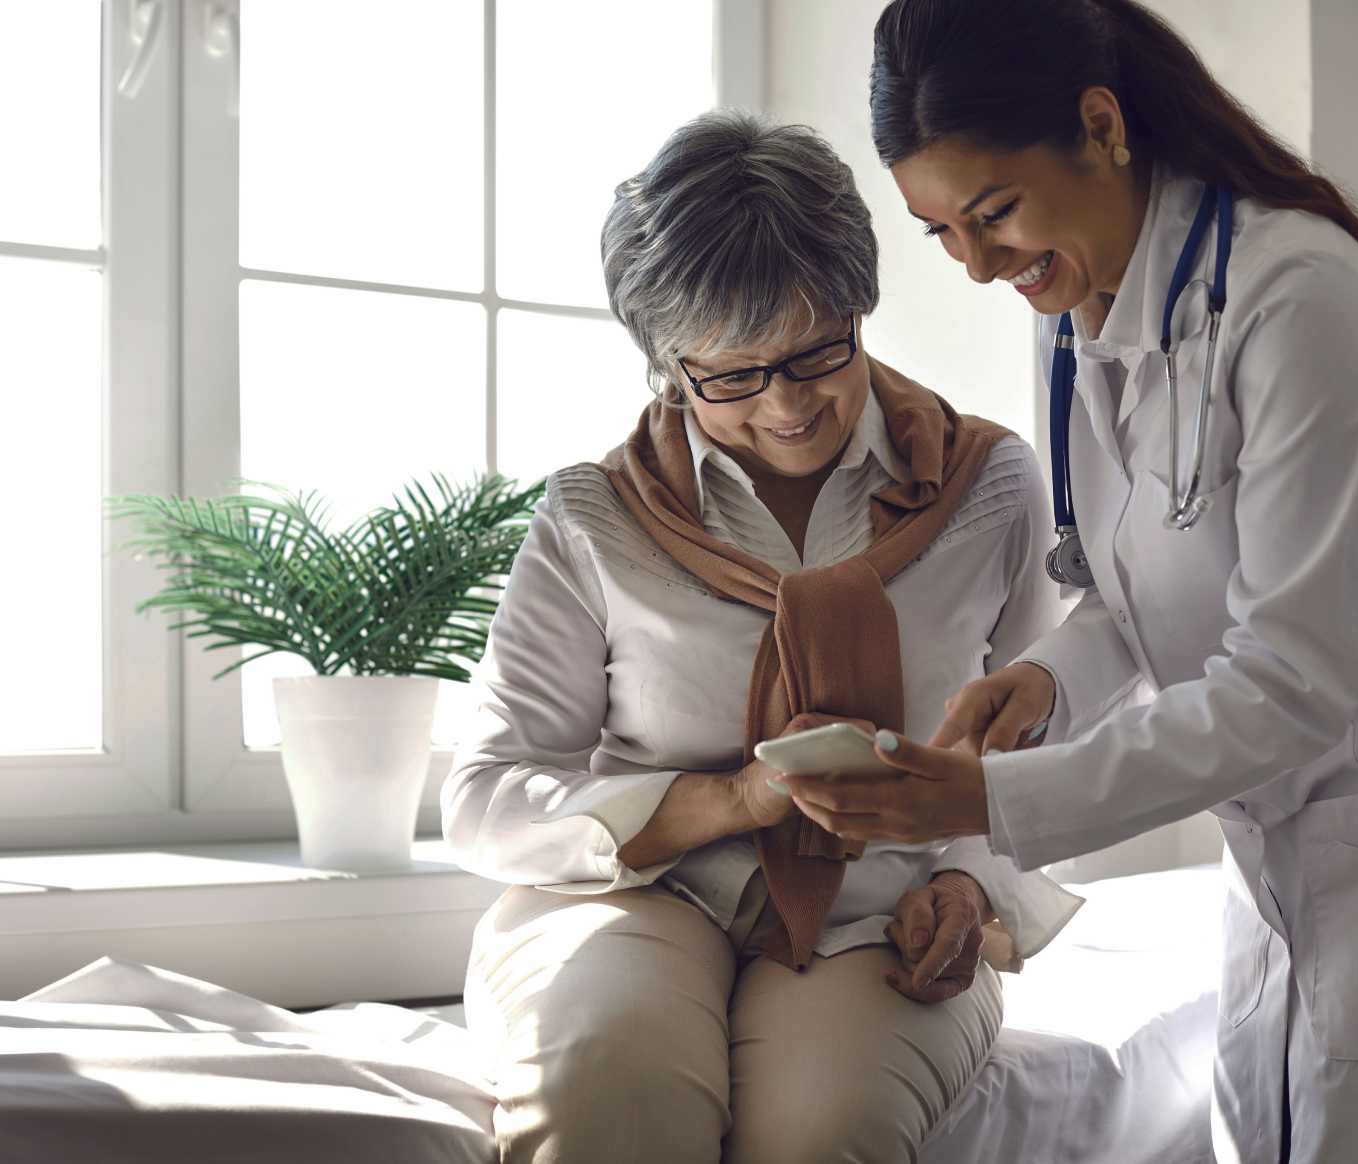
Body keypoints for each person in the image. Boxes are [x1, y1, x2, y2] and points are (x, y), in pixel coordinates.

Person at [775, 1, 1358, 1160]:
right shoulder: (1076, 312)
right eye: (942, 234)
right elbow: (1140, 587)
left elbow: (1288, 682)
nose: (981, 267)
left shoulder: (1298, 300)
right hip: (1281, 851)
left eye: (993, 213)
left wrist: (981, 803)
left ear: (1100, 124)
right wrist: (1042, 680)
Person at [441, 110, 1081, 1164]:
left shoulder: (989, 487)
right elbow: (487, 796)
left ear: (859, 310)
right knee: (608, 1097)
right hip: (636, 893)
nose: (785, 406)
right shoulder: (593, 516)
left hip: (887, 907)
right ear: (665, 364)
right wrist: (727, 804)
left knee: (820, 1137)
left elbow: (1044, 750)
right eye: (731, 375)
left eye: (815, 354)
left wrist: (968, 887)